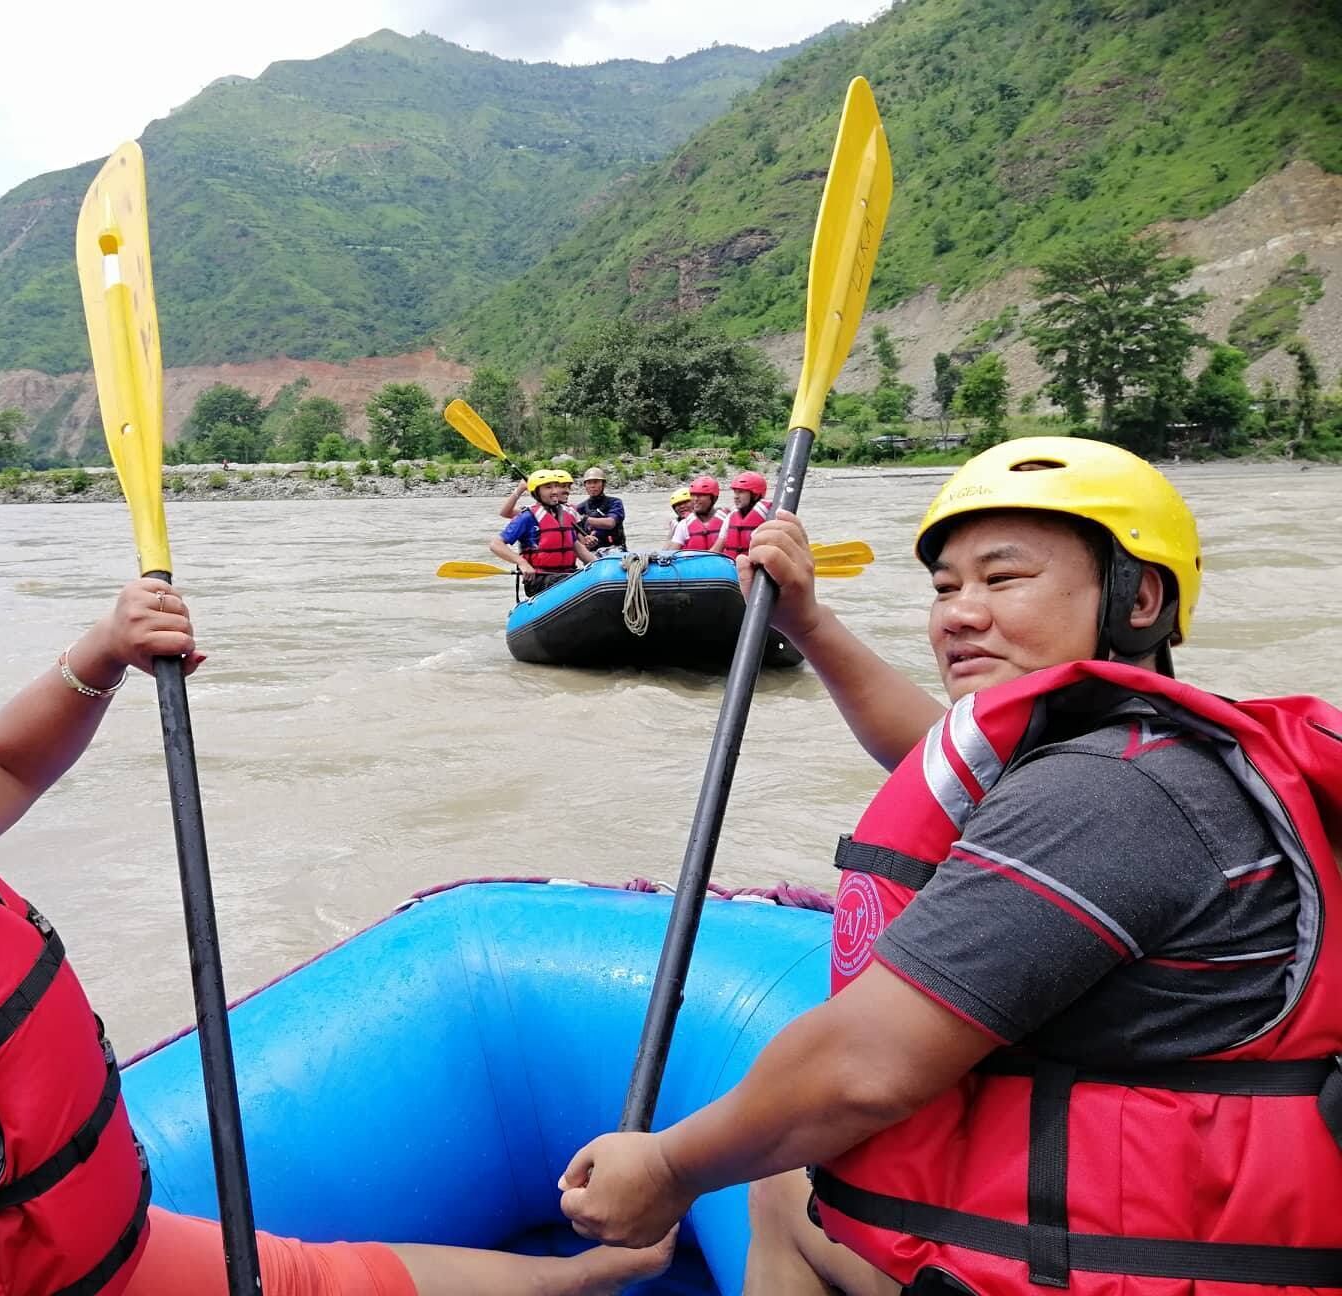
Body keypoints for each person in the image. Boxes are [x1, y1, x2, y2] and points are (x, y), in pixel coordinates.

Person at [0, 587, 676, 1296]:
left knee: (361, 1275)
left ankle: (595, 1271)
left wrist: (105, 654)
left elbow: (5, 758)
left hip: (93, 1246)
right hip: (46, 1276)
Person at [556, 437, 1342, 1296]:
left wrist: (667, 1169)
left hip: (1155, 1266)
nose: (958, 614)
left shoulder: (1107, 796)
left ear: (1140, 597)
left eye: (1003, 580)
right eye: (945, 588)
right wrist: (806, 623)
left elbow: (863, 1071)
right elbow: (935, 758)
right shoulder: (1151, 750)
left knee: (779, 1183)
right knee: (786, 1188)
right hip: (1202, 1226)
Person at [490, 469, 597, 596]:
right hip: (540, 580)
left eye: (556, 486)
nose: (555, 491)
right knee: (572, 582)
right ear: (536, 492)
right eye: (548, 487)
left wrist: (599, 565)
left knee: (588, 579)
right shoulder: (527, 517)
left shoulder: (566, 514)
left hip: (568, 574)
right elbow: (496, 544)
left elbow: (577, 548)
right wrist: (522, 563)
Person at [716, 470, 772, 597]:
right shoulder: (730, 516)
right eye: (735, 492)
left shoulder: (769, 515)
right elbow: (717, 548)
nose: (736, 496)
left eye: (741, 492)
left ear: (756, 495)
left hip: (759, 575)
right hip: (733, 575)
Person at [662, 476, 726, 553]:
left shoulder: (726, 519)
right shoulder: (682, 525)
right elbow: (669, 554)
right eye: (693, 495)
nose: (696, 499)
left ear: (714, 499)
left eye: (701, 495)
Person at [573, 466, 627, 552]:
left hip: (615, 549)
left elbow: (610, 523)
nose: (592, 486)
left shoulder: (615, 503)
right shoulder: (580, 508)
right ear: (585, 486)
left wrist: (584, 518)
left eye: (596, 482)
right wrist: (586, 542)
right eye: (589, 483)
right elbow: (577, 532)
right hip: (593, 552)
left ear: (603, 484)